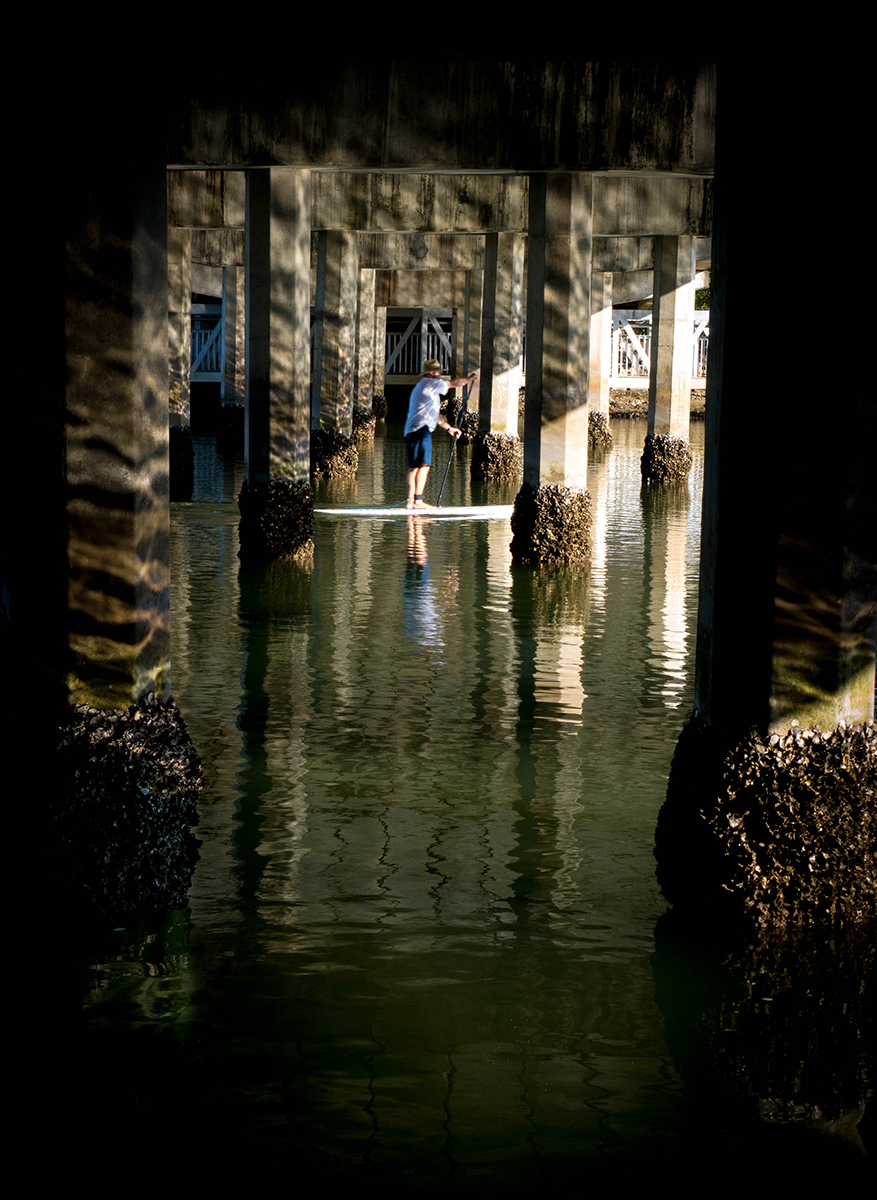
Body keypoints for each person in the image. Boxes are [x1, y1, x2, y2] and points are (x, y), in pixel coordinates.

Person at [403, 359, 477, 508]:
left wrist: (450, 428)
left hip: (413, 430)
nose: (440, 375)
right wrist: (469, 379)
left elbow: (436, 415)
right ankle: (417, 501)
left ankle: (411, 502)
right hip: (421, 429)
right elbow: (455, 383)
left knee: (415, 466)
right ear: (431, 373)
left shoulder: (428, 390)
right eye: (438, 372)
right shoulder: (429, 384)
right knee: (423, 465)